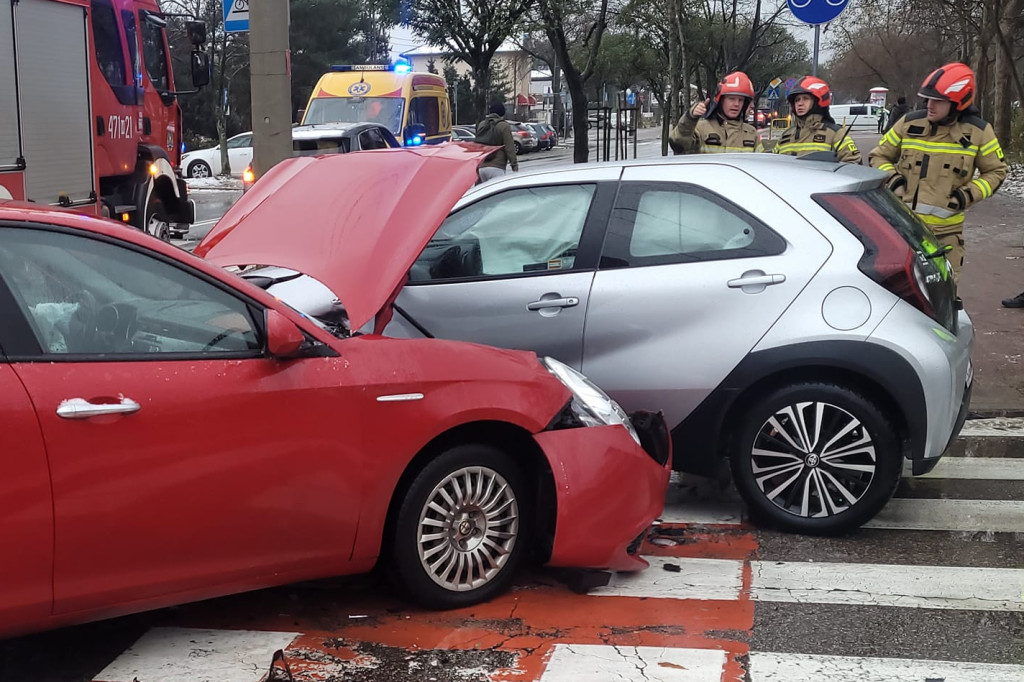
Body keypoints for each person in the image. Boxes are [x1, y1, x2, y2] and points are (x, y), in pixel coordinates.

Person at [869, 62, 1007, 283]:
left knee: (942, 299)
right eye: (928, 99)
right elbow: (878, 156)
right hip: (900, 231)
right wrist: (894, 181)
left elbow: (996, 172)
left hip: (945, 239)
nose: (929, 105)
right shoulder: (909, 123)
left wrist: (966, 195)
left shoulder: (979, 132)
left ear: (957, 103)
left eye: (937, 101)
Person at [669, 71, 763, 154]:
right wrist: (690, 118)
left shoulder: (751, 133)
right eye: (732, 99)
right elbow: (678, 144)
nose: (736, 104)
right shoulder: (701, 128)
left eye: (741, 100)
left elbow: (760, 166)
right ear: (721, 100)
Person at [774, 76, 861, 164]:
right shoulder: (785, 136)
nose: (800, 103)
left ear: (817, 101)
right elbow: (774, 164)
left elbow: (854, 165)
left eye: (805, 98)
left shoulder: (835, 134)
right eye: (797, 100)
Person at [474, 102, 518, 183]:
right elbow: (509, 147)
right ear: (502, 112)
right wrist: (514, 165)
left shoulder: (482, 124)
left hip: (481, 167)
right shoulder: (504, 126)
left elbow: (477, 145)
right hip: (497, 166)